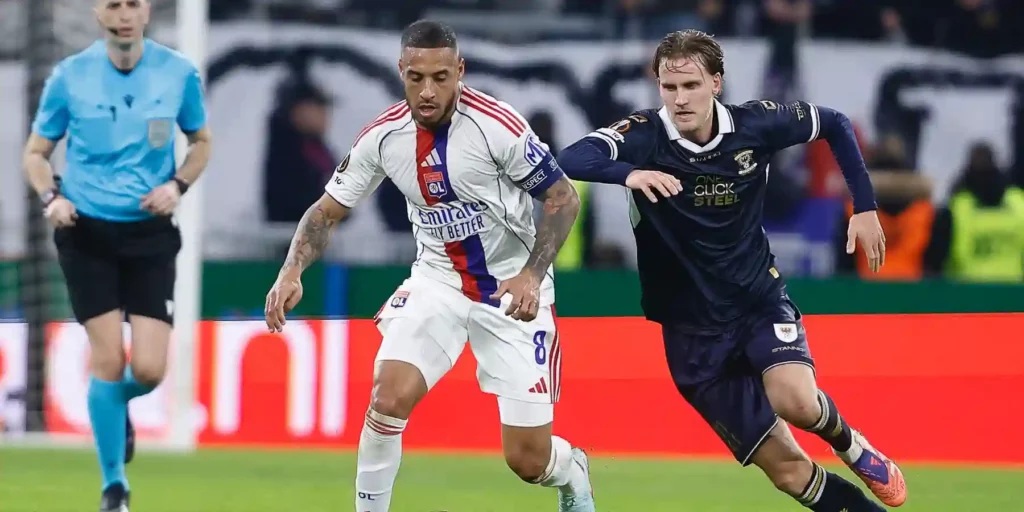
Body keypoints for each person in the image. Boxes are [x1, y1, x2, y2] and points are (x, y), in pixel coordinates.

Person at [557, 30, 905, 511]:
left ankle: (852, 446)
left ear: (716, 83)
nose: (680, 99)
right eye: (669, 87)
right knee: (789, 474)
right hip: (689, 330)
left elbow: (835, 123)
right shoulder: (642, 136)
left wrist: (864, 208)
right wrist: (629, 173)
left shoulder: (755, 124)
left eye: (691, 86)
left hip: (756, 300)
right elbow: (571, 156)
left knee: (797, 401)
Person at [263, 20, 595, 512]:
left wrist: (530, 273)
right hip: (437, 283)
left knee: (528, 460)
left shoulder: (496, 126)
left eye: (441, 77)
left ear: (460, 71)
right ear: (401, 71)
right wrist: (291, 271)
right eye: (416, 77)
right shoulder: (383, 137)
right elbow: (324, 212)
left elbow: (563, 199)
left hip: (512, 293)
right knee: (386, 400)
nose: (428, 90)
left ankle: (572, 471)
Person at [22, 1, 212, 511]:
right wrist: (51, 198)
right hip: (86, 233)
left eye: (133, 3)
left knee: (148, 370)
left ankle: (114, 407)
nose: (124, 14)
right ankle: (115, 488)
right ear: (97, 13)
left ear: (147, 11)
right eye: (114, 4)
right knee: (107, 359)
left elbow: (201, 142)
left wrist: (178, 184)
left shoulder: (177, 73)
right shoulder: (69, 77)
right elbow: (36, 153)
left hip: (149, 234)